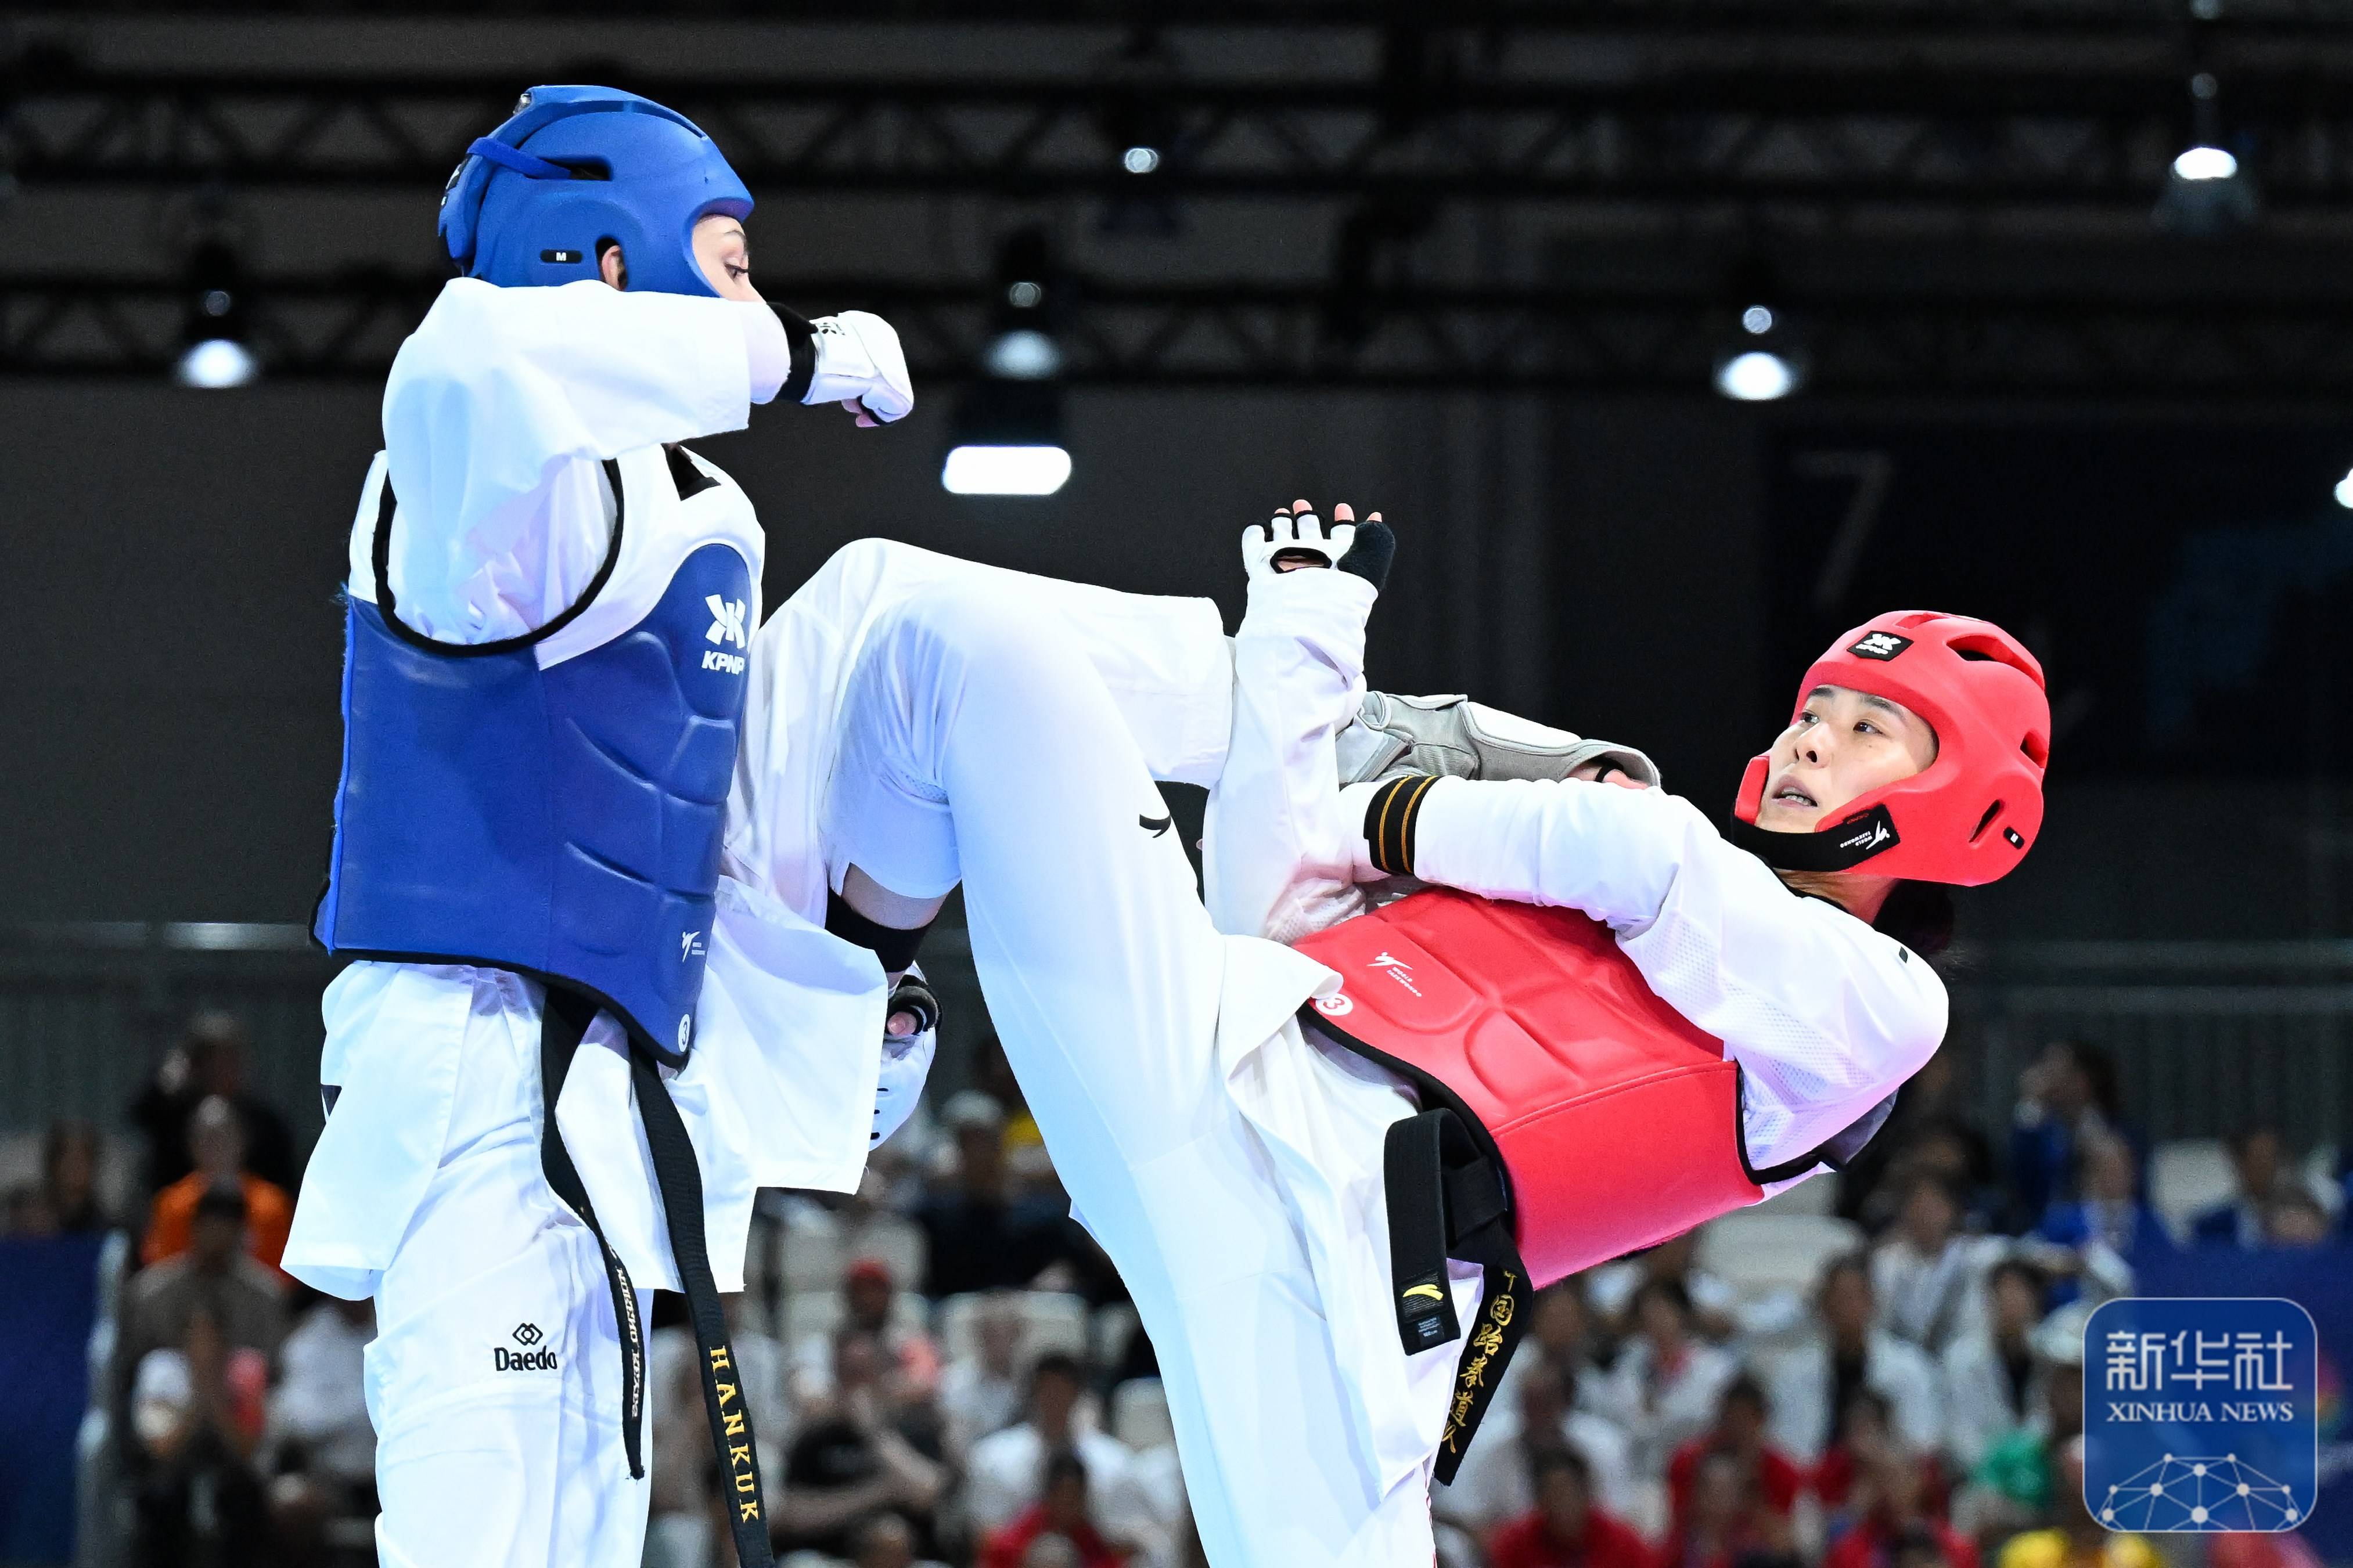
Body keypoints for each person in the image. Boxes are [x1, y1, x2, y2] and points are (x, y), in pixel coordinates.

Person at [722, 500, 2049, 1566]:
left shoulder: (1877, 1002)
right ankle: (847, 1031)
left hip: (1342, 1287)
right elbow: (1275, 905)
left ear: (1952, 802)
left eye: (1868, 727)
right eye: (1815, 707)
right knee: (929, 630)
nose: (1814, 735)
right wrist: (1308, 630)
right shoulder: (1584, 855)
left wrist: (1384, 804)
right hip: (1204, 1049)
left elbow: (1637, 852)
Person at [282, 84, 923, 1568]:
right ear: (610, 261)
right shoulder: (479, 484)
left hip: (622, 1088)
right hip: (473, 1063)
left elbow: (705, 830)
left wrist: (865, 1000)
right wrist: (800, 352)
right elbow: (473, 353)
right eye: (727, 254)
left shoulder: (702, 518)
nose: (752, 288)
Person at [775, 1328, 947, 1559]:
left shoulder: (913, 1426)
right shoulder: (815, 1436)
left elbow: (928, 1494)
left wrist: (874, 1433)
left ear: (882, 1373)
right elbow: (794, 1515)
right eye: (849, 1374)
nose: (857, 1385)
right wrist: (878, 1493)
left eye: (864, 1372)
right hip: (833, 1559)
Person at [1762, 1256, 1941, 1466]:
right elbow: (1785, 1448)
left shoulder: (1909, 1367)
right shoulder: (1793, 1372)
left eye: (1853, 1297)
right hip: (1816, 1482)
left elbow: (1923, 1443)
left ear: (1872, 1303)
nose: (1846, 1307)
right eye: (1837, 1298)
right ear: (1823, 1306)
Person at [966, 1353, 1151, 1545]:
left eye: (1062, 1389)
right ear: (1032, 1394)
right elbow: (985, 1536)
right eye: (1046, 1389)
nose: (1054, 1398)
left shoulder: (1116, 1463)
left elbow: (1129, 1539)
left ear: (1078, 1394)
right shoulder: (992, 1458)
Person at [127, 1010, 300, 1196]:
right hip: (180, 1216)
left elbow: (283, 1183)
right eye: (211, 1061)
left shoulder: (264, 1122)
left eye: (229, 1059)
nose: (221, 1070)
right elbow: (139, 1116)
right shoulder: (174, 1113)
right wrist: (169, 1077)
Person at [1598, 1278, 1742, 1479]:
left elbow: (1711, 1422)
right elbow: (1620, 1419)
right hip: (1641, 1472)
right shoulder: (1628, 1364)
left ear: (1681, 1314)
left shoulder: (1715, 1367)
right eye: (1649, 1315)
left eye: (1663, 1312)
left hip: (1696, 1471)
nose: (1656, 1321)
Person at [143, 1096, 294, 1275]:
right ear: (191, 1145)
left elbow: (286, 1275)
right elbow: (158, 1270)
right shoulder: (172, 1205)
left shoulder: (272, 1206)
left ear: (243, 1140)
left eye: (224, 1136)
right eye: (207, 1138)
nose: (216, 1146)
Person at [1871, 1171, 2000, 1357]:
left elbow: (2029, 1256)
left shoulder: (1974, 1252)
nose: (1925, 1216)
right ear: (1905, 1213)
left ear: (1951, 1211)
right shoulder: (1886, 1260)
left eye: (1933, 1208)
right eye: (1918, 1207)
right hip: (1903, 1358)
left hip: (1958, 1354)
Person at [1938, 1259, 2046, 1473]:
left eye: (2020, 1293)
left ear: (2035, 1301)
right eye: (2004, 1294)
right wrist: (2000, 1472)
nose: (2011, 1303)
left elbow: (2048, 1424)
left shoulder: (2049, 1357)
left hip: (2039, 1477)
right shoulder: (1961, 1359)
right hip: (1980, 1478)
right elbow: (1961, 1438)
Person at [1487, 1448, 1656, 1568]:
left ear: (1586, 1492)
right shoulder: (1514, 1544)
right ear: (1538, 1500)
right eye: (1552, 1494)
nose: (1562, 1502)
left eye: (1568, 1491)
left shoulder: (1623, 1542)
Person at [980, 1450, 1133, 1568]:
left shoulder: (1093, 1542)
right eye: (1063, 1495)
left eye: (1075, 1496)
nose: (1068, 1503)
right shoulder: (1018, 1540)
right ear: (1049, 1496)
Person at [2189, 1126, 2287, 1248]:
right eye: (2259, 1159)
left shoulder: (2301, 1224)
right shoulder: (2212, 1226)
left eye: (2272, 1159)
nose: (2267, 1168)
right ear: (2240, 1163)